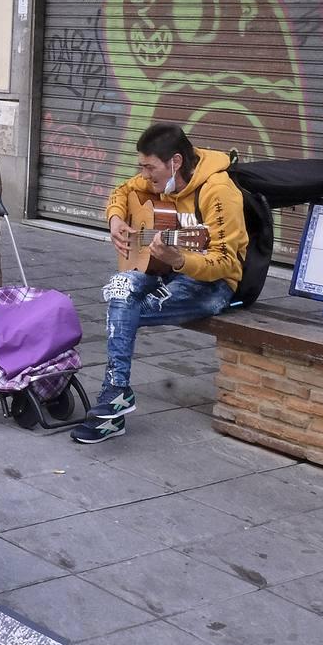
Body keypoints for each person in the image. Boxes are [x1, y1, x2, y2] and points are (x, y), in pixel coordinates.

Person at [70, 122, 248, 444]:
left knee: (122, 308)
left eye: (150, 167)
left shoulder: (219, 192)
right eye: (142, 167)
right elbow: (123, 191)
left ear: (175, 162)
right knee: (120, 288)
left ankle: (114, 399)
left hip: (213, 286)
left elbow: (227, 262)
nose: (146, 175)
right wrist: (115, 218)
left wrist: (180, 260)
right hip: (171, 272)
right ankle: (116, 395)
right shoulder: (163, 182)